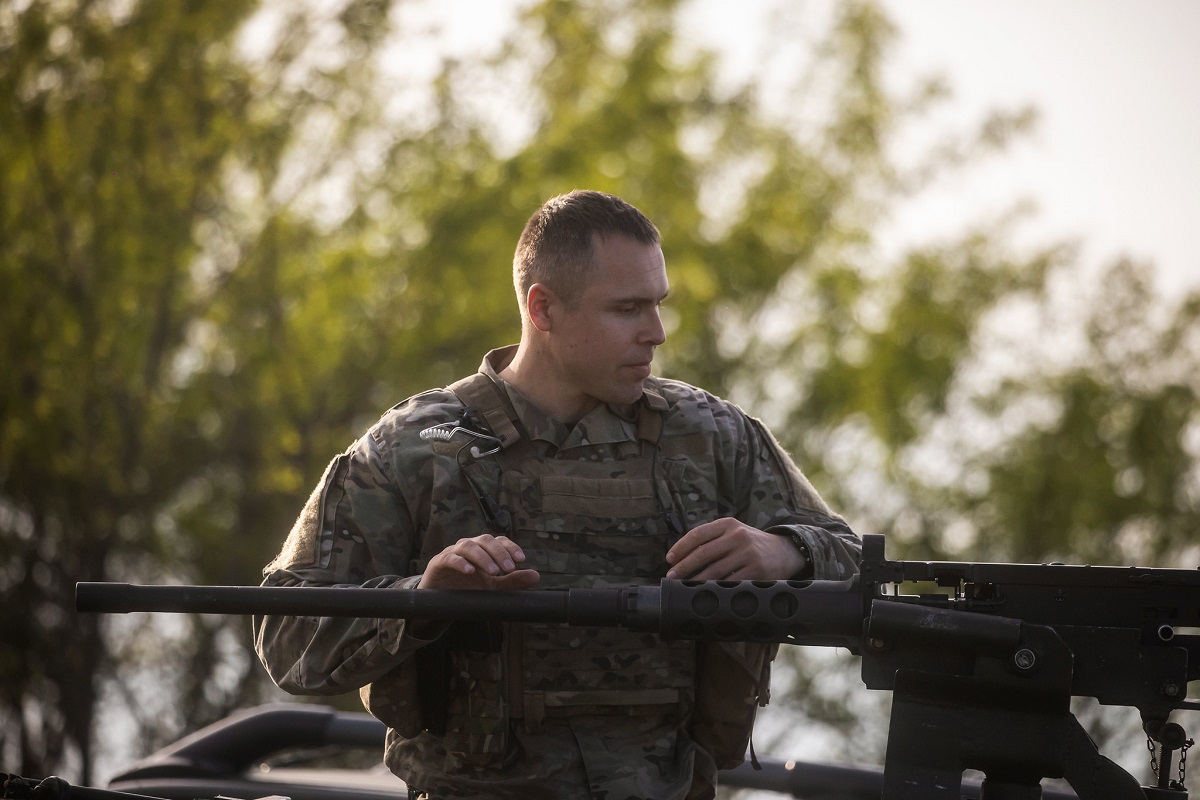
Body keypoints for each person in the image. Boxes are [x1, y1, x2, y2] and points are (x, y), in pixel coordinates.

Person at [253, 190, 861, 800]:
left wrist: (787, 554)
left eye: (657, 305)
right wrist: (424, 600)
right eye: (627, 309)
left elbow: (857, 564)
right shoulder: (414, 449)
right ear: (542, 309)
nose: (656, 333)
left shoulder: (712, 436)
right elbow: (287, 635)